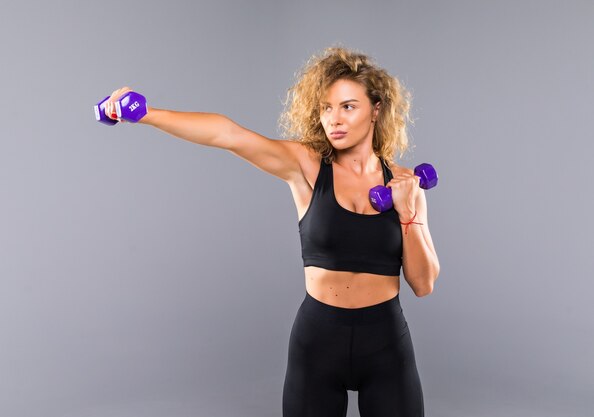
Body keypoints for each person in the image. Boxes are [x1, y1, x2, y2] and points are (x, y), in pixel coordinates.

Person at [102, 45, 440, 417]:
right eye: (326, 108)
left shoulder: (406, 185)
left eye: (347, 106)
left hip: (386, 341)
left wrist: (408, 213)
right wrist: (148, 114)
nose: (334, 120)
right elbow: (228, 134)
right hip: (318, 341)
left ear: (376, 110)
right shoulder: (306, 167)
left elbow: (423, 285)